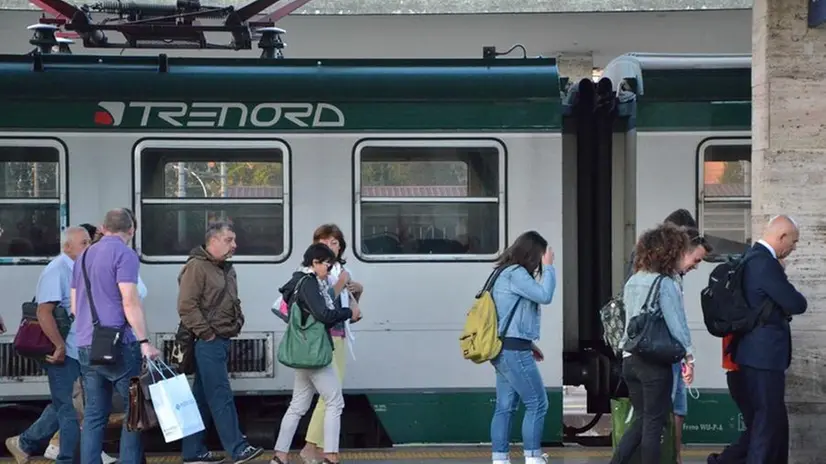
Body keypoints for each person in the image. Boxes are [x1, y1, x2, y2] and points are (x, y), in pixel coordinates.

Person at [71, 208, 161, 464]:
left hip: (87, 344)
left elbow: (76, 307)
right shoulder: (125, 254)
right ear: (131, 230)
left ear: (102, 227)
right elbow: (130, 301)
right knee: (135, 412)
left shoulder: (84, 255)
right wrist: (144, 342)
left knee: (94, 415)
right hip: (120, 344)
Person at [178, 221, 263, 464]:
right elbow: (186, 306)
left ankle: (193, 452)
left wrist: (237, 322)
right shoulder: (197, 267)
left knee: (202, 399)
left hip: (220, 339)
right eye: (229, 240)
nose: (234, 245)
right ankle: (238, 448)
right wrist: (207, 334)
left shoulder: (224, 268)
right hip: (208, 342)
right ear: (212, 241)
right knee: (220, 395)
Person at [610, 223, 695, 464]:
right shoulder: (665, 283)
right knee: (653, 424)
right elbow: (677, 325)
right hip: (654, 364)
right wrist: (689, 357)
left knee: (642, 420)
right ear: (670, 253)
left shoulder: (633, 280)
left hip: (630, 361)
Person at [5, 226, 90, 464]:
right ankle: (65, 459)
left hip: (77, 349)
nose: (88, 246)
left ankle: (25, 441)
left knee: (68, 404)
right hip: (62, 352)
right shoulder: (57, 270)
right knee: (70, 410)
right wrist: (59, 346)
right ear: (67, 246)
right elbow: (44, 313)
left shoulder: (78, 268)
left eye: (89, 242)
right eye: (83, 243)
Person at [271, 243, 362, 464]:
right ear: (315, 263)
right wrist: (350, 312)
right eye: (327, 267)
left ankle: (280, 456)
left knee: (298, 406)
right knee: (335, 401)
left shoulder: (297, 282)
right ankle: (330, 456)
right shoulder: (309, 283)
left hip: (302, 351)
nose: (329, 271)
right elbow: (323, 314)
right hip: (314, 353)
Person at [729, 215, 807, 464]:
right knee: (765, 423)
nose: (793, 248)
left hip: (754, 354)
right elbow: (796, 303)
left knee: (771, 421)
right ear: (781, 236)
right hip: (763, 356)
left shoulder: (751, 259)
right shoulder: (764, 263)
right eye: (793, 242)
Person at [489, 231, 556, 464]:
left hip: (506, 348)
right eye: (540, 257)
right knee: (538, 403)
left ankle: (500, 459)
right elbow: (544, 295)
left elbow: (509, 316)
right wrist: (549, 268)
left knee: (505, 407)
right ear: (533, 253)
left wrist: (530, 344)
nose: (540, 262)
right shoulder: (516, 273)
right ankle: (533, 458)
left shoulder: (502, 272)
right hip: (514, 351)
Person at [300, 224, 364, 464]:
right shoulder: (311, 270)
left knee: (327, 394)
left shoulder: (340, 269)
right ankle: (312, 448)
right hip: (324, 337)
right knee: (330, 394)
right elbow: (324, 303)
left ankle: (315, 448)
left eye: (335, 243)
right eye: (325, 242)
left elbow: (351, 310)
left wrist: (358, 291)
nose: (331, 247)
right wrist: (342, 283)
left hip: (339, 336)